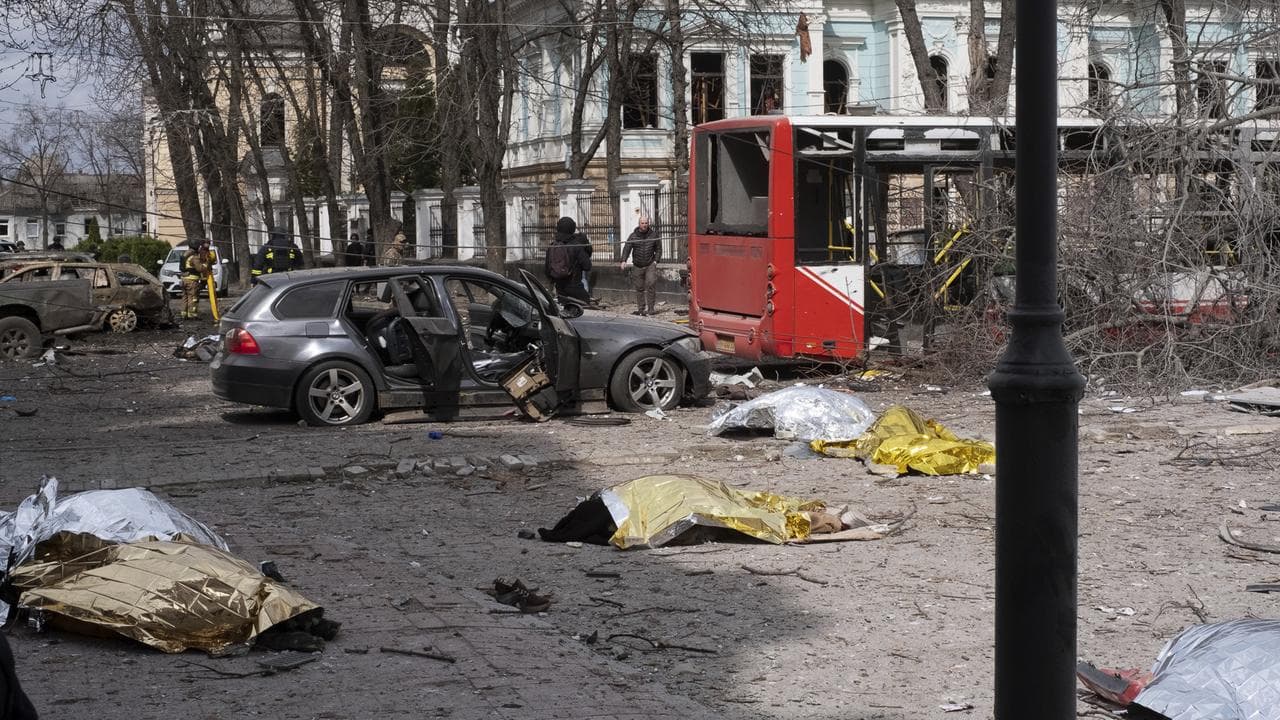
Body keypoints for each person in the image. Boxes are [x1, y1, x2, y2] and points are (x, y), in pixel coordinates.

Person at [620, 215, 660, 315]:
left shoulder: (654, 235)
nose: (644, 225)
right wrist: (624, 260)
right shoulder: (633, 236)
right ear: (639, 224)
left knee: (651, 284)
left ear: (648, 224)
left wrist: (656, 260)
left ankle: (651, 309)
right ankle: (641, 309)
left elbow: (659, 249)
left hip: (650, 264)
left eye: (646, 223)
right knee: (639, 287)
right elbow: (627, 248)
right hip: (637, 265)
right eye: (642, 223)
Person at [545, 216, 591, 303]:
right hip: (575, 287)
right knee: (585, 303)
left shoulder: (552, 246)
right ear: (572, 229)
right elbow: (587, 266)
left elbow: (547, 269)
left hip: (559, 289)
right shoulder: (576, 246)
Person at [181, 240, 213, 318]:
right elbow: (200, 268)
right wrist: (206, 265)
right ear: (196, 248)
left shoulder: (185, 255)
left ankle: (184, 314)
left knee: (185, 297)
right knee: (193, 297)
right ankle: (192, 315)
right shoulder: (194, 257)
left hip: (184, 279)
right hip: (192, 281)